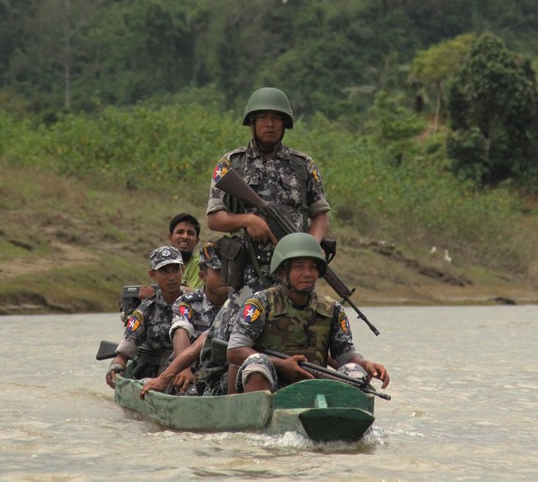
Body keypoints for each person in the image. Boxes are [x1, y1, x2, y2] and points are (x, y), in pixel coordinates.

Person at [206, 87, 331, 311]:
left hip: (291, 273)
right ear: (251, 123)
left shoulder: (303, 165)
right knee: (236, 338)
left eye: (276, 118)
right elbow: (214, 219)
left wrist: (310, 246)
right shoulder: (232, 164)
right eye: (263, 117)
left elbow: (320, 216)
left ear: (285, 124)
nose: (270, 124)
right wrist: (247, 221)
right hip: (246, 274)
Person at [225, 233, 389, 394]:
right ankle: (258, 419)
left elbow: (345, 356)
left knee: (356, 371)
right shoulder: (261, 303)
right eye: (299, 266)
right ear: (282, 272)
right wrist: (281, 364)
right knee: (256, 363)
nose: (308, 273)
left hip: (316, 385)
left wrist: (366, 364)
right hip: (272, 383)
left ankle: (344, 418)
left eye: (313, 267)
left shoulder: (333, 309)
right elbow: (235, 350)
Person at [106, 246, 184, 389]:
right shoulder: (144, 311)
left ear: (182, 270)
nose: (171, 277)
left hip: (189, 372)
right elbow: (123, 355)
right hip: (154, 377)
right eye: (164, 271)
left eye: (175, 270)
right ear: (152, 274)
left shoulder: (197, 303)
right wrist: (115, 369)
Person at [166, 242, 230, 393]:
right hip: (193, 371)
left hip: (226, 371)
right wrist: (184, 367)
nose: (224, 277)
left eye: (228, 271)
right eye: (218, 271)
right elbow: (180, 330)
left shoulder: (239, 303)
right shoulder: (188, 302)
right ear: (202, 276)